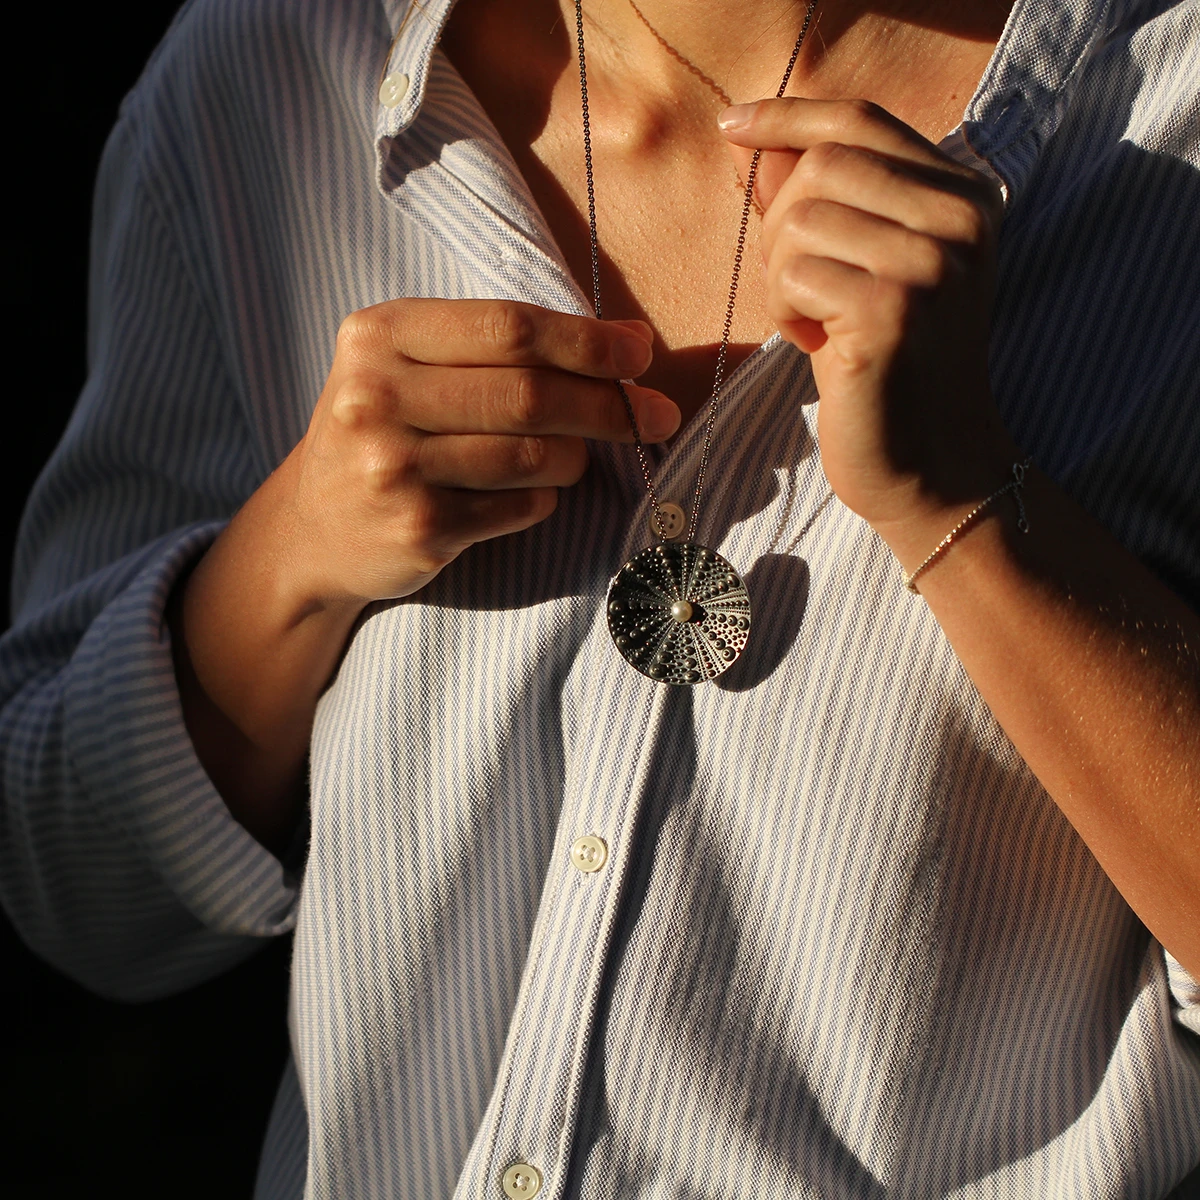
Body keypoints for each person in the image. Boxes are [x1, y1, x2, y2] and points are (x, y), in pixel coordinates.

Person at [1, 0, 1197, 1194]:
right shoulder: (273, 75)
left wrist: (968, 509)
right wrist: (288, 557)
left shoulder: (1169, 115)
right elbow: (80, 895)